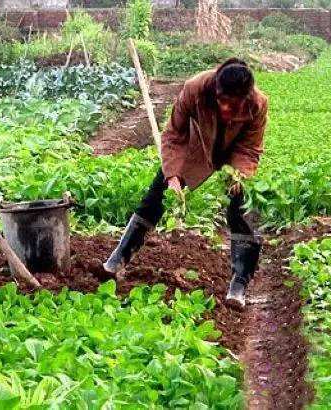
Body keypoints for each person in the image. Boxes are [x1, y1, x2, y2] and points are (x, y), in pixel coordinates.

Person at [103, 58, 269, 307]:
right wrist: (172, 177)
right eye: (222, 101)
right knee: (156, 196)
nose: (225, 109)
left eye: (232, 105)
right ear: (216, 89)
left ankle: (239, 284)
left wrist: (239, 174)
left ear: (245, 98)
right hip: (197, 148)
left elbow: (250, 148)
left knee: (243, 211)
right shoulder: (196, 88)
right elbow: (175, 134)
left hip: (235, 156)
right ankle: (118, 258)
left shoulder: (258, 104)